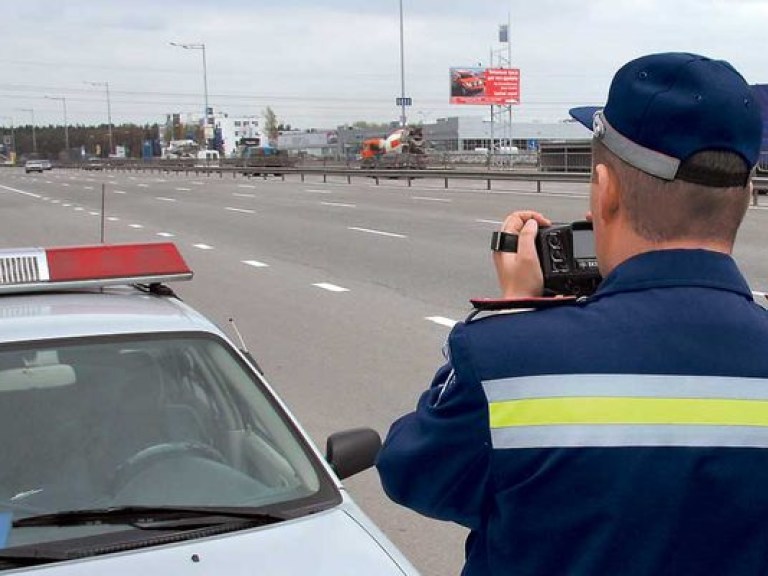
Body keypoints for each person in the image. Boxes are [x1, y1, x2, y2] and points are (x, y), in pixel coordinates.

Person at [376, 52, 768, 576]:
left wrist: (519, 314)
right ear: (745, 196)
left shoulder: (507, 360)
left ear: (604, 194)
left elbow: (412, 475)